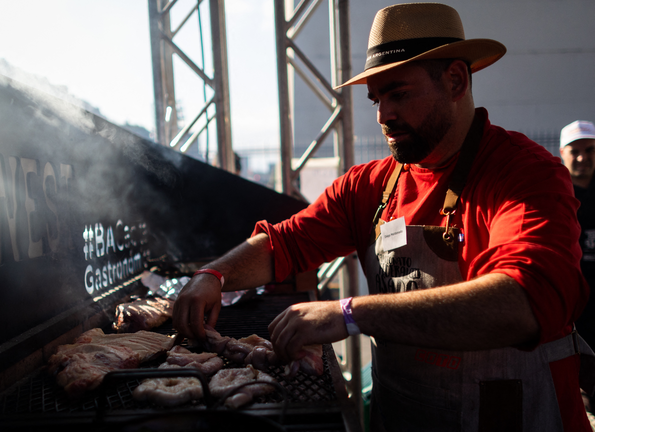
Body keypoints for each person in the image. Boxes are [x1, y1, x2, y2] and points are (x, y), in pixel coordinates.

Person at [173, 3, 593, 431]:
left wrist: (350, 314)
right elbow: (285, 243)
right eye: (377, 99)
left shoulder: (523, 173)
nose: (383, 115)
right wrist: (214, 275)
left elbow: (520, 304)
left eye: (399, 93)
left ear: (455, 80)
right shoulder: (368, 187)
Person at [560, 120, 596, 416]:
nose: (583, 157)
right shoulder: (556, 195)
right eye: (576, 151)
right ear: (562, 154)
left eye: (591, 150)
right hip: (574, 306)